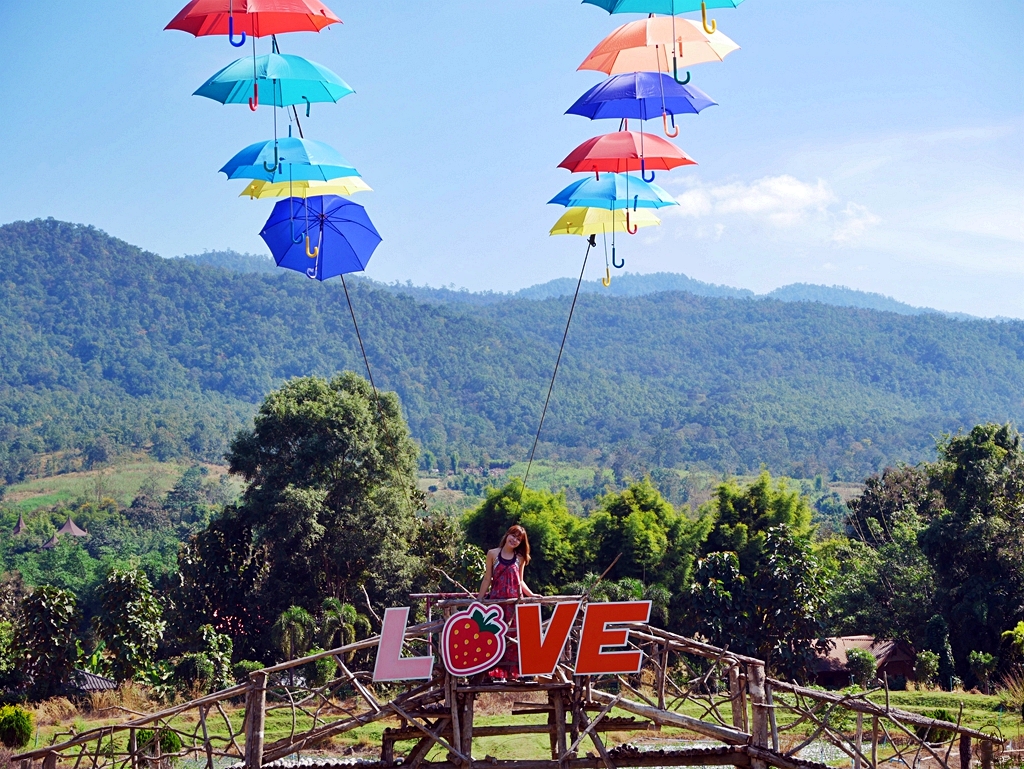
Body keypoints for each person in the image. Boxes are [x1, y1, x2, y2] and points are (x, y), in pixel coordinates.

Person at [477, 524, 536, 680]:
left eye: (518, 539)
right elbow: (487, 578)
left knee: (514, 638)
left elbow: (521, 581)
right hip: (496, 603)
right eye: (513, 536)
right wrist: (479, 600)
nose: (514, 540)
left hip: (514, 604)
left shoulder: (520, 558)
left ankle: (515, 674)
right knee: (495, 636)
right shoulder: (492, 554)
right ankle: (492, 674)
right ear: (507, 534)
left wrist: (532, 595)